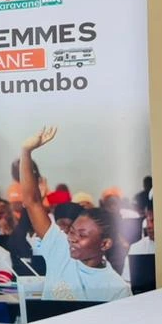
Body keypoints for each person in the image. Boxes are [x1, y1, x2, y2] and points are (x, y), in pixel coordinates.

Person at [20, 127, 131, 302]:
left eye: (82, 235)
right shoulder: (59, 247)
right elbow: (32, 202)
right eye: (72, 231)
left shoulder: (117, 289)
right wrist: (26, 152)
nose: (72, 238)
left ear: (105, 243)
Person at [123, 207, 155, 284]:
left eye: (153, 221)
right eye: (147, 221)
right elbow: (127, 282)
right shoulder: (136, 248)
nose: (149, 226)